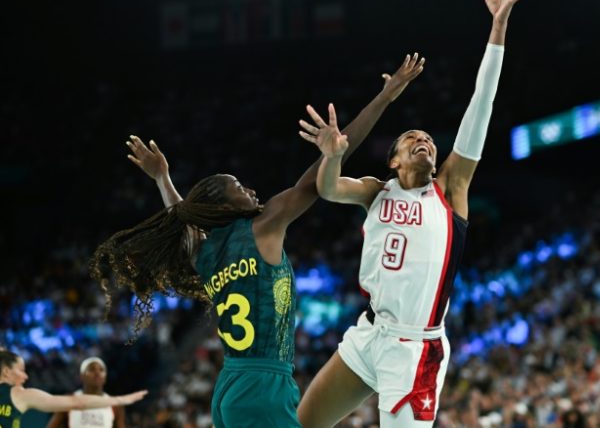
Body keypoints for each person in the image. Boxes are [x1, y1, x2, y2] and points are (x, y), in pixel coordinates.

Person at [90, 55, 425, 428]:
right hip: (265, 386)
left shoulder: (206, 252)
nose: (249, 189)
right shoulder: (262, 225)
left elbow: (181, 217)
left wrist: (162, 178)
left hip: (230, 386)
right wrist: (381, 101)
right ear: (221, 205)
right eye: (238, 187)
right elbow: (315, 181)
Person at [296, 0, 534, 427]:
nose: (424, 141)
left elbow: (481, 104)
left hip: (415, 348)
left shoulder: (450, 189)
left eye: (429, 139)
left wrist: (498, 26)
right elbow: (327, 189)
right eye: (412, 139)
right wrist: (331, 155)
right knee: (303, 422)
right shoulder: (374, 191)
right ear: (393, 161)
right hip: (370, 334)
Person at [0, 350, 146, 427]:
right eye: (21, 370)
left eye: (101, 370)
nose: (25, 376)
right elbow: (78, 403)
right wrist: (121, 399)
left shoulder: (114, 408)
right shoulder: (18, 394)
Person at [46, 357, 125, 428]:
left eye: (101, 370)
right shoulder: (69, 400)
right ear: (82, 376)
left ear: (105, 377)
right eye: (92, 369)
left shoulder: (115, 405)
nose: (97, 373)